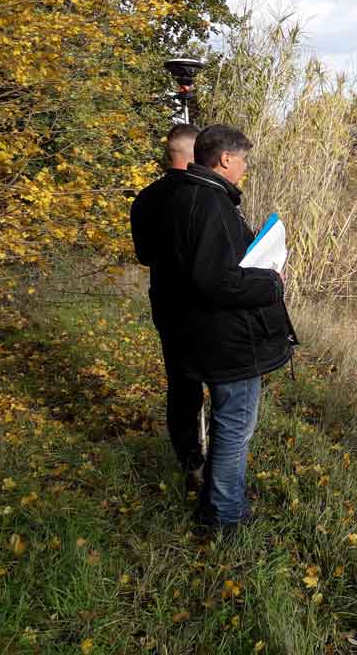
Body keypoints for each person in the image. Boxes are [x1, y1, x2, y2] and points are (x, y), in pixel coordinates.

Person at [159, 124, 296, 530]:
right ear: (225, 159)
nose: (245, 167)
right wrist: (271, 282)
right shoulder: (211, 204)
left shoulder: (183, 196)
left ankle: (218, 503)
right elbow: (217, 281)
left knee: (227, 424)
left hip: (204, 333)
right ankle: (225, 517)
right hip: (229, 341)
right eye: (243, 160)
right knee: (234, 427)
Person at [129, 123, 205, 492]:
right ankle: (216, 463)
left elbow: (144, 255)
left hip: (166, 304)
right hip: (205, 307)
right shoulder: (202, 197)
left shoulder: (145, 199)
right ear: (194, 154)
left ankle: (190, 459)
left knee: (181, 384)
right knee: (220, 383)